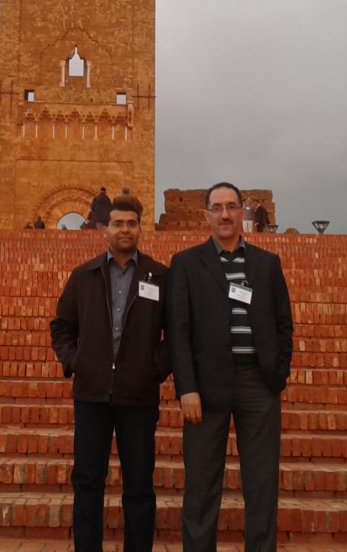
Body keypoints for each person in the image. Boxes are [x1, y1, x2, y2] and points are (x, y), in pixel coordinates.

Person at [167, 181, 294, 552]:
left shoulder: (267, 264)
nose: (224, 214)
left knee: (262, 483)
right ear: (206, 215)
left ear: (242, 212)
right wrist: (187, 387)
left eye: (231, 207)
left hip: (258, 383)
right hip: (206, 385)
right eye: (217, 208)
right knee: (201, 484)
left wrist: (278, 372)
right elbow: (178, 330)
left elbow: (283, 323)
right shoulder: (187, 264)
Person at [51, 194, 170, 552]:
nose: (125, 230)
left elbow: (176, 333)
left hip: (138, 396)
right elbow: (62, 327)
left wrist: (154, 369)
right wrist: (76, 361)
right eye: (118, 223)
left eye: (132, 223)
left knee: (139, 486)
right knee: (87, 481)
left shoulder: (159, 276)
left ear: (140, 228)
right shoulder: (83, 276)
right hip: (92, 395)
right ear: (105, 229)